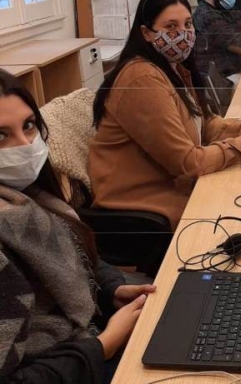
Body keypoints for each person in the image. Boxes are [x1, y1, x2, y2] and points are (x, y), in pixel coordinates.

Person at [0, 69, 156, 383]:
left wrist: (111, 290)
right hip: (74, 363)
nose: (25, 145)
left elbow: (71, 257)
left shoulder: (28, 198)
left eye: (29, 126)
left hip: (81, 344)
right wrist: (102, 347)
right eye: (0, 136)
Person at [89, 0, 241, 229]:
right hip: (145, 206)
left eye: (188, 24)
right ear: (146, 33)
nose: (183, 34)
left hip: (174, 188)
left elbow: (202, 124)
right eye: (170, 27)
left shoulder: (172, 66)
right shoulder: (142, 79)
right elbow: (189, 164)